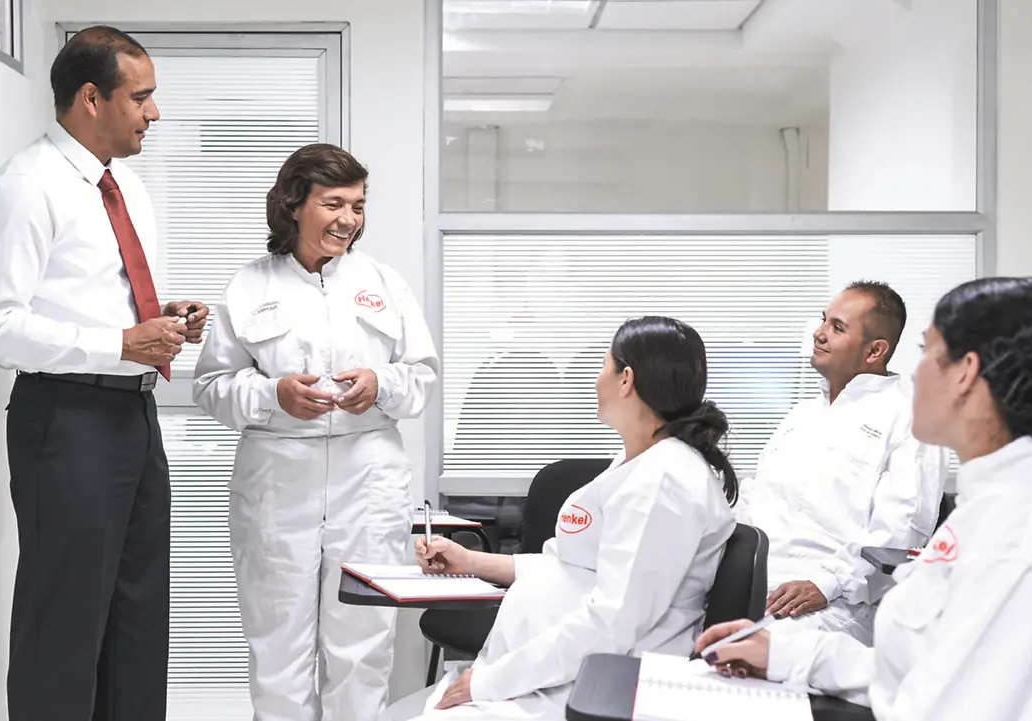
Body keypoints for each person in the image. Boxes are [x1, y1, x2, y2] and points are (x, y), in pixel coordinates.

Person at [698, 277, 1032, 719]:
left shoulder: (1025, 528)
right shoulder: (1004, 501)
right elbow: (916, 665)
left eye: (928, 353)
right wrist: (785, 655)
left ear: (966, 373)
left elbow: (934, 703)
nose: (914, 376)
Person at [0, 26, 206, 721]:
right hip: (64, 421)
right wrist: (119, 342)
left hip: (133, 416)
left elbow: (104, 301)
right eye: (143, 97)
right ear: (91, 97)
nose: (153, 114)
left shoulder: (125, 187)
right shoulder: (27, 187)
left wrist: (164, 318)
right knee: (63, 625)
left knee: (137, 619)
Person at [382, 316, 739, 721]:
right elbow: (572, 567)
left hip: (591, 685)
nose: (595, 379)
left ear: (626, 379)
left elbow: (613, 624)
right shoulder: (640, 463)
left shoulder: (663, 482)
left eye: (603, 364)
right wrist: (471, 562)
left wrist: (489, 683)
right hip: (550, 674)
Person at [192, 143, 438, 721]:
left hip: (368, 479)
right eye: (334, 204)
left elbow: (422, 377)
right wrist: (273, 395)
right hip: (278, 480)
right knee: (278, 649)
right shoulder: (250, 287)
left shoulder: (384, 282)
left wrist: (380, 383)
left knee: (363, 646)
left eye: (357, 205)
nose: (349, 220)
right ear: (294, 204)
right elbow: (212, 386)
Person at [736, 281, 946, 643]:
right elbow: (755, 503)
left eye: (837, 327)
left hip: (838, 604)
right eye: (823, 321)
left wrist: (827, 583)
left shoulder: (911, 417)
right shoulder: (799, 416)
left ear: (875, 350)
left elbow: (901, 533)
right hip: (754, 584)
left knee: (756, 654)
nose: (819, 334)